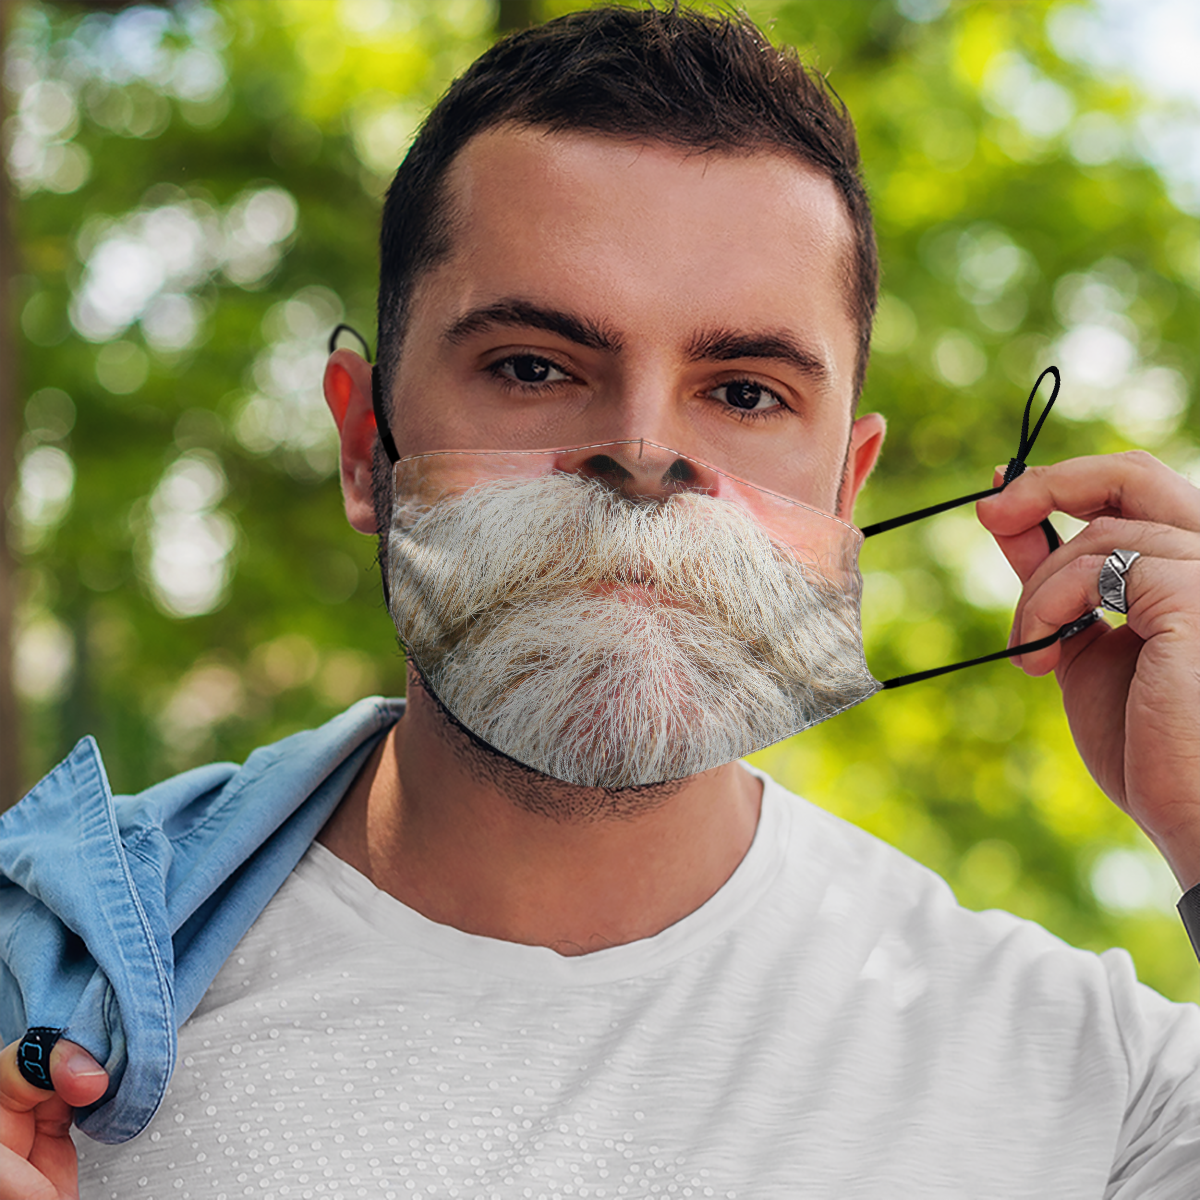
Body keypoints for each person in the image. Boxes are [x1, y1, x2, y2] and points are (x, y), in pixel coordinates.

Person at [2, 6, 1198, 1198]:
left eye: (742, 391)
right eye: (534, 367)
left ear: (847, 486)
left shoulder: (1103, 1093)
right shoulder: (34, 1009)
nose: (642, 452)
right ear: (366, 441)